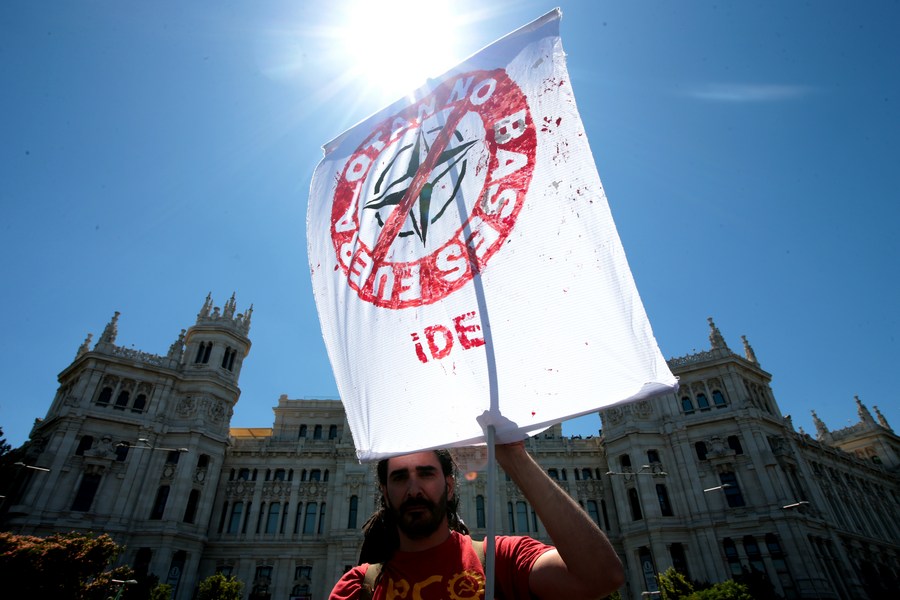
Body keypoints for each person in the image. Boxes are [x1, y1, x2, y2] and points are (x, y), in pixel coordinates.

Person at [329, 441, 624, 599]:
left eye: (426, 473)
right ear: (384, 492)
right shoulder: (359, 587)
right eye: (400, 477)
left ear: (450, 485)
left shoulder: (501, 561)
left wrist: (514, 457)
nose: (414, 489)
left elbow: (600, 577)